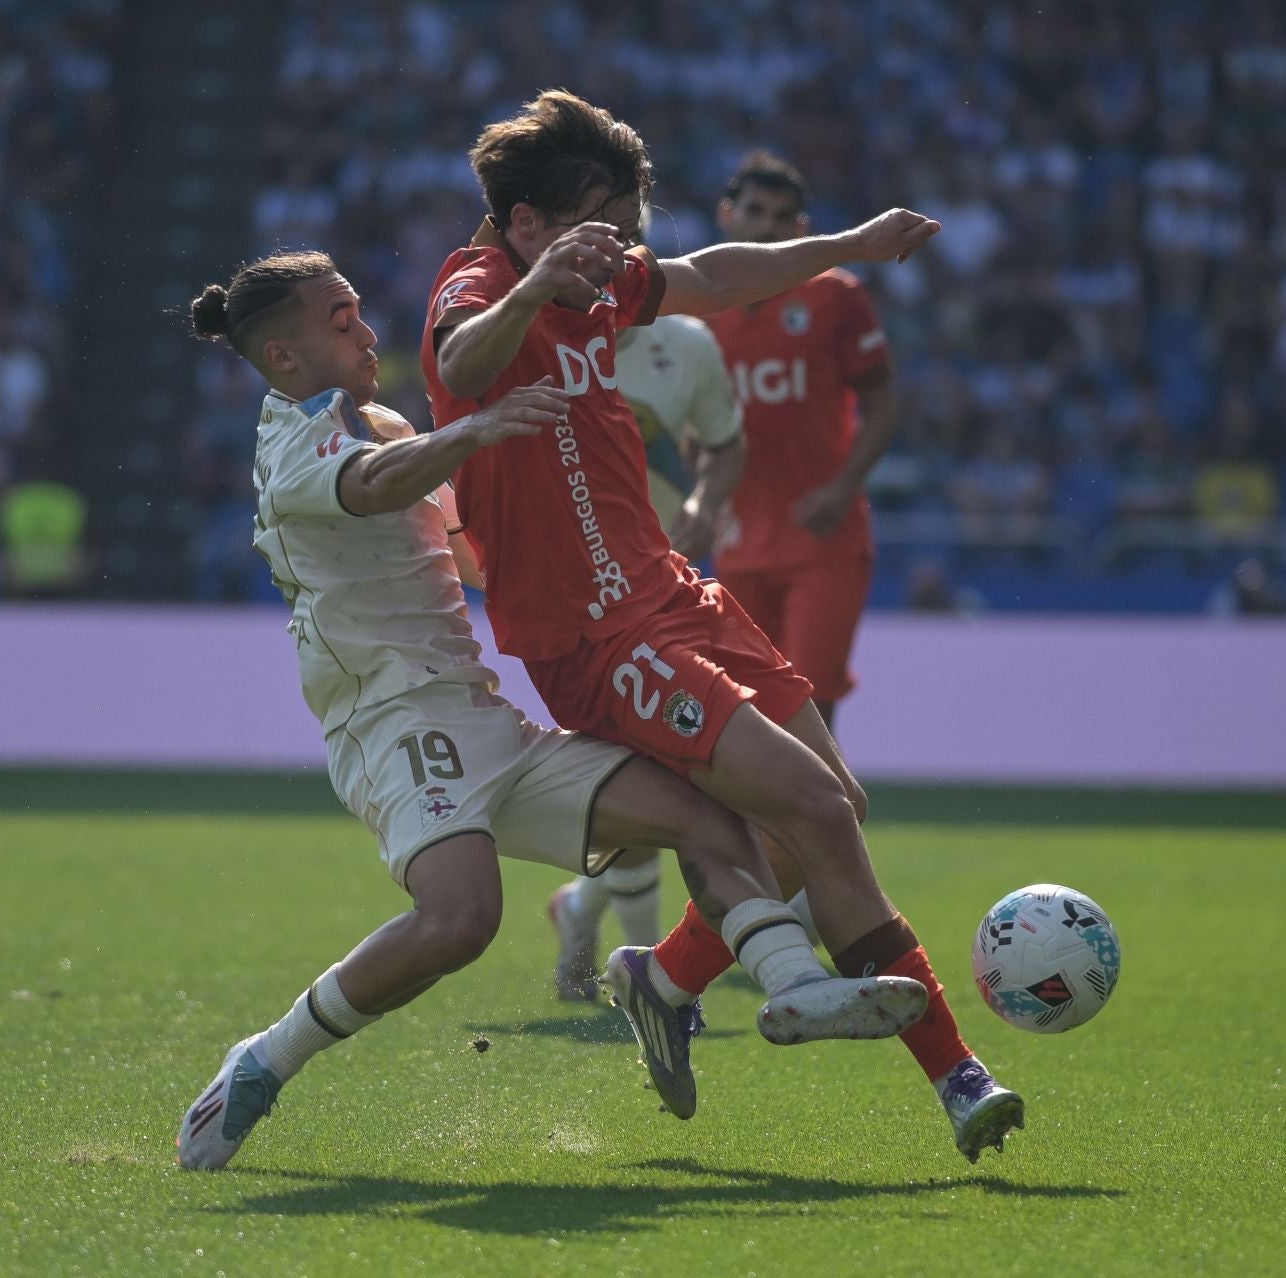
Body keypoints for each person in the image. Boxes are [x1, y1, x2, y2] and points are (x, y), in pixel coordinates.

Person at [174, 252, 925, 1171]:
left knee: (709, 817)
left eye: (360, 311)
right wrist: (479, 431)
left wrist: (608, 557)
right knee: (462, 922)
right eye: (341, 321)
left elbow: (470, 547)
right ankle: (263, 1060)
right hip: (397, 730)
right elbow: (374, 483)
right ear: (284, 357)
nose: (369, 333)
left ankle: (795, 983)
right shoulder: (297, 446)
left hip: (485, 720)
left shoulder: (376, 421)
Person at [422, 90, 1023, 1160]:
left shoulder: (601, 282)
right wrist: (538, 291)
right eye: (604, 223)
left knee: (835, 807)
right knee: (811, 813)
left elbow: (716, 277)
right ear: (527, 225)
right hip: (595, 636)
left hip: (674, 590)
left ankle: (662, 978)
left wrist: (853, 243)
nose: (624, 250)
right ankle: (959, 1080)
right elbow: (461, 364)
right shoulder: (477, 286)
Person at [548, 247, 747, 1000]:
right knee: (644, 779)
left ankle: (592, 919)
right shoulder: (535, 335)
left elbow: (727, 444)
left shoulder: (686, 343)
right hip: (581, 608)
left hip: (667, 587)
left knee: (676, 778)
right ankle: (640, 966)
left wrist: (699, 505)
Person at [702, 152, 895, 733]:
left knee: (809, 714)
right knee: (750, 718)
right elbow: (690, 422)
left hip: (822, 537)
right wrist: (701, 499)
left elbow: (883, 402)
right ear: (726, 214)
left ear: (802, 230)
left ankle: (822, 825)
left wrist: (843, 488)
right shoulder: (696, 310)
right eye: (755, 212)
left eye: (782, 218)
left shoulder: (835, 298)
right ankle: (758, 829)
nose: (766, 228)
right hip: (737, 542)